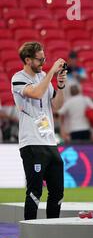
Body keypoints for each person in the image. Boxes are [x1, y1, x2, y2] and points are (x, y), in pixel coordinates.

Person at [11, 42, 67, 220]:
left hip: (50, 141)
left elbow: (57, 106)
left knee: (57, 192)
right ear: (28, 60)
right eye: (40, 59)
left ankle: (53, 230)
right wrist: (51, 72)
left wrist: (60, 86)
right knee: (35, 192)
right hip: (31, 142)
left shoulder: (43, 77)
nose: (43, 62)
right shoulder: (18, 78)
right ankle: (31, 234)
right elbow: (35, 93)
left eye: (44, 59)